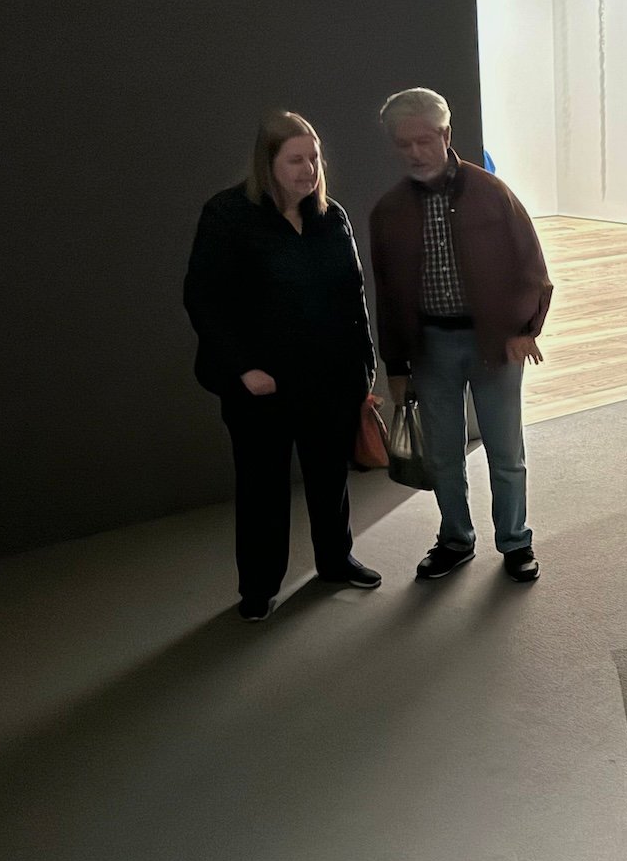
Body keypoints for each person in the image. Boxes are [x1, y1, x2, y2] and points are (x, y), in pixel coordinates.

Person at [184, 111, 381, 622]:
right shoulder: (227, 216)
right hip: (261, 388)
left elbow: (352, 296)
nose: (308, 169)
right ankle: (259, 586)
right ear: (267, 163)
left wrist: (365, 366)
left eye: (313, 157)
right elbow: (204, 300)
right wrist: (244, 368)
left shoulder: (329, 216)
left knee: (328, 478)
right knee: (262, 487)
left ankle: (336, 561)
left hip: (329, 379)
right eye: (295, 159)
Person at [368, 88, 552, 583]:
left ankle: (515, 541)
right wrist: (398, 368)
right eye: (403, 144)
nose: (414, 153)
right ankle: (455, 539)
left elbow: (532, 268)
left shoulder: (493, 193)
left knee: (504, 450)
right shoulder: (389, 212)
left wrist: (523, 329)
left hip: (494, 344)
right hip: (430, 348)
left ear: (447, 135)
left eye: (424, 141)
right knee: (445, 452)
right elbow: (386, 296)